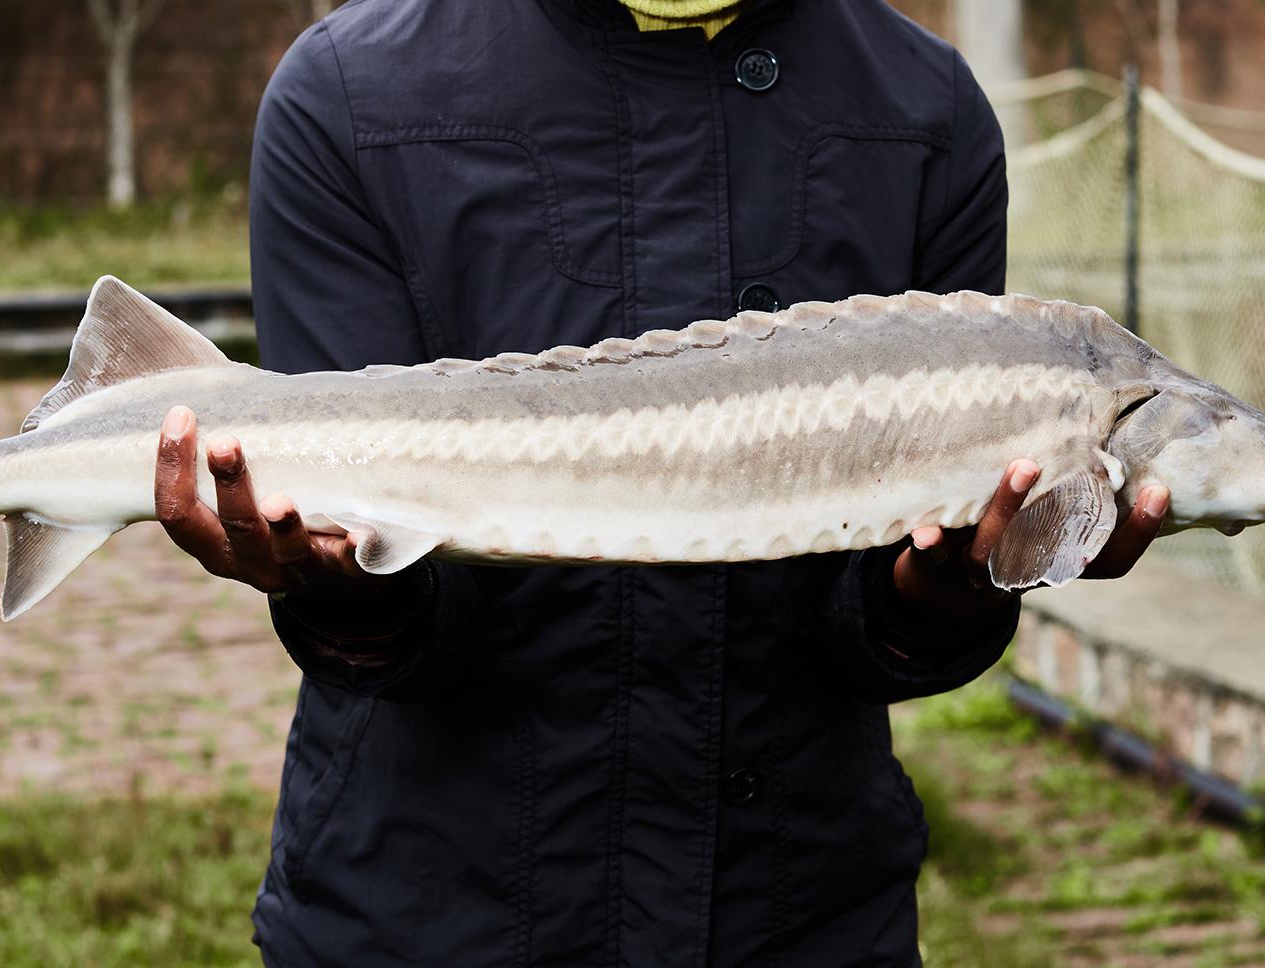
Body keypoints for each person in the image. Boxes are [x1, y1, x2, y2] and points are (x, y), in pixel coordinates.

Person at [152, 1, 1167, 964]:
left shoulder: (926, 110)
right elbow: (398, 618)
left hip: (800, 916)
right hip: (425, 913)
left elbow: (872, 623)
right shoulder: (347, 96)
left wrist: (946, 591)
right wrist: (343, 591)